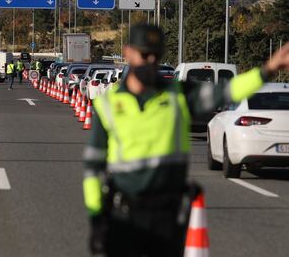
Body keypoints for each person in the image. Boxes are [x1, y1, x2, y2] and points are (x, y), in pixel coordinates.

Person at [82, 24, 289, 257]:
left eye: (156, 56)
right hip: (124, 214)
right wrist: (96, 217)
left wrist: (268, 69)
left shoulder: (178, 94)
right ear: (128, 52)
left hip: (168, 215)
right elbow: (93, 167)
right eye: (144, 54)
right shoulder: (108, 105)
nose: (150, 61)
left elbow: (229, 91)